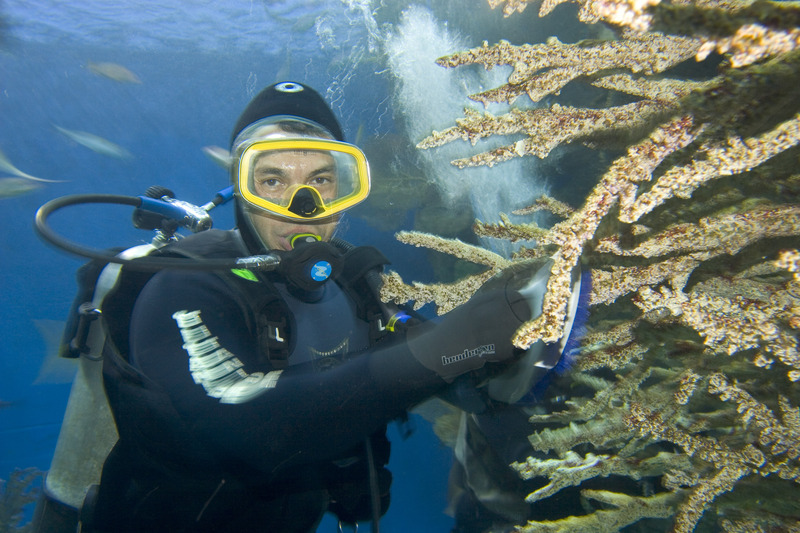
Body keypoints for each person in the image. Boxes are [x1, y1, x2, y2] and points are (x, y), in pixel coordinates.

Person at [33, 81, 544, 533]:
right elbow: (248, 429)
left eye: (322, 179)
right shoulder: (184, 285)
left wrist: (508, 336)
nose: (303, 206)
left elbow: (426, 350)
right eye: (272, 180)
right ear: (241, 189)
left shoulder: (355, 284)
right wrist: (453, 343)